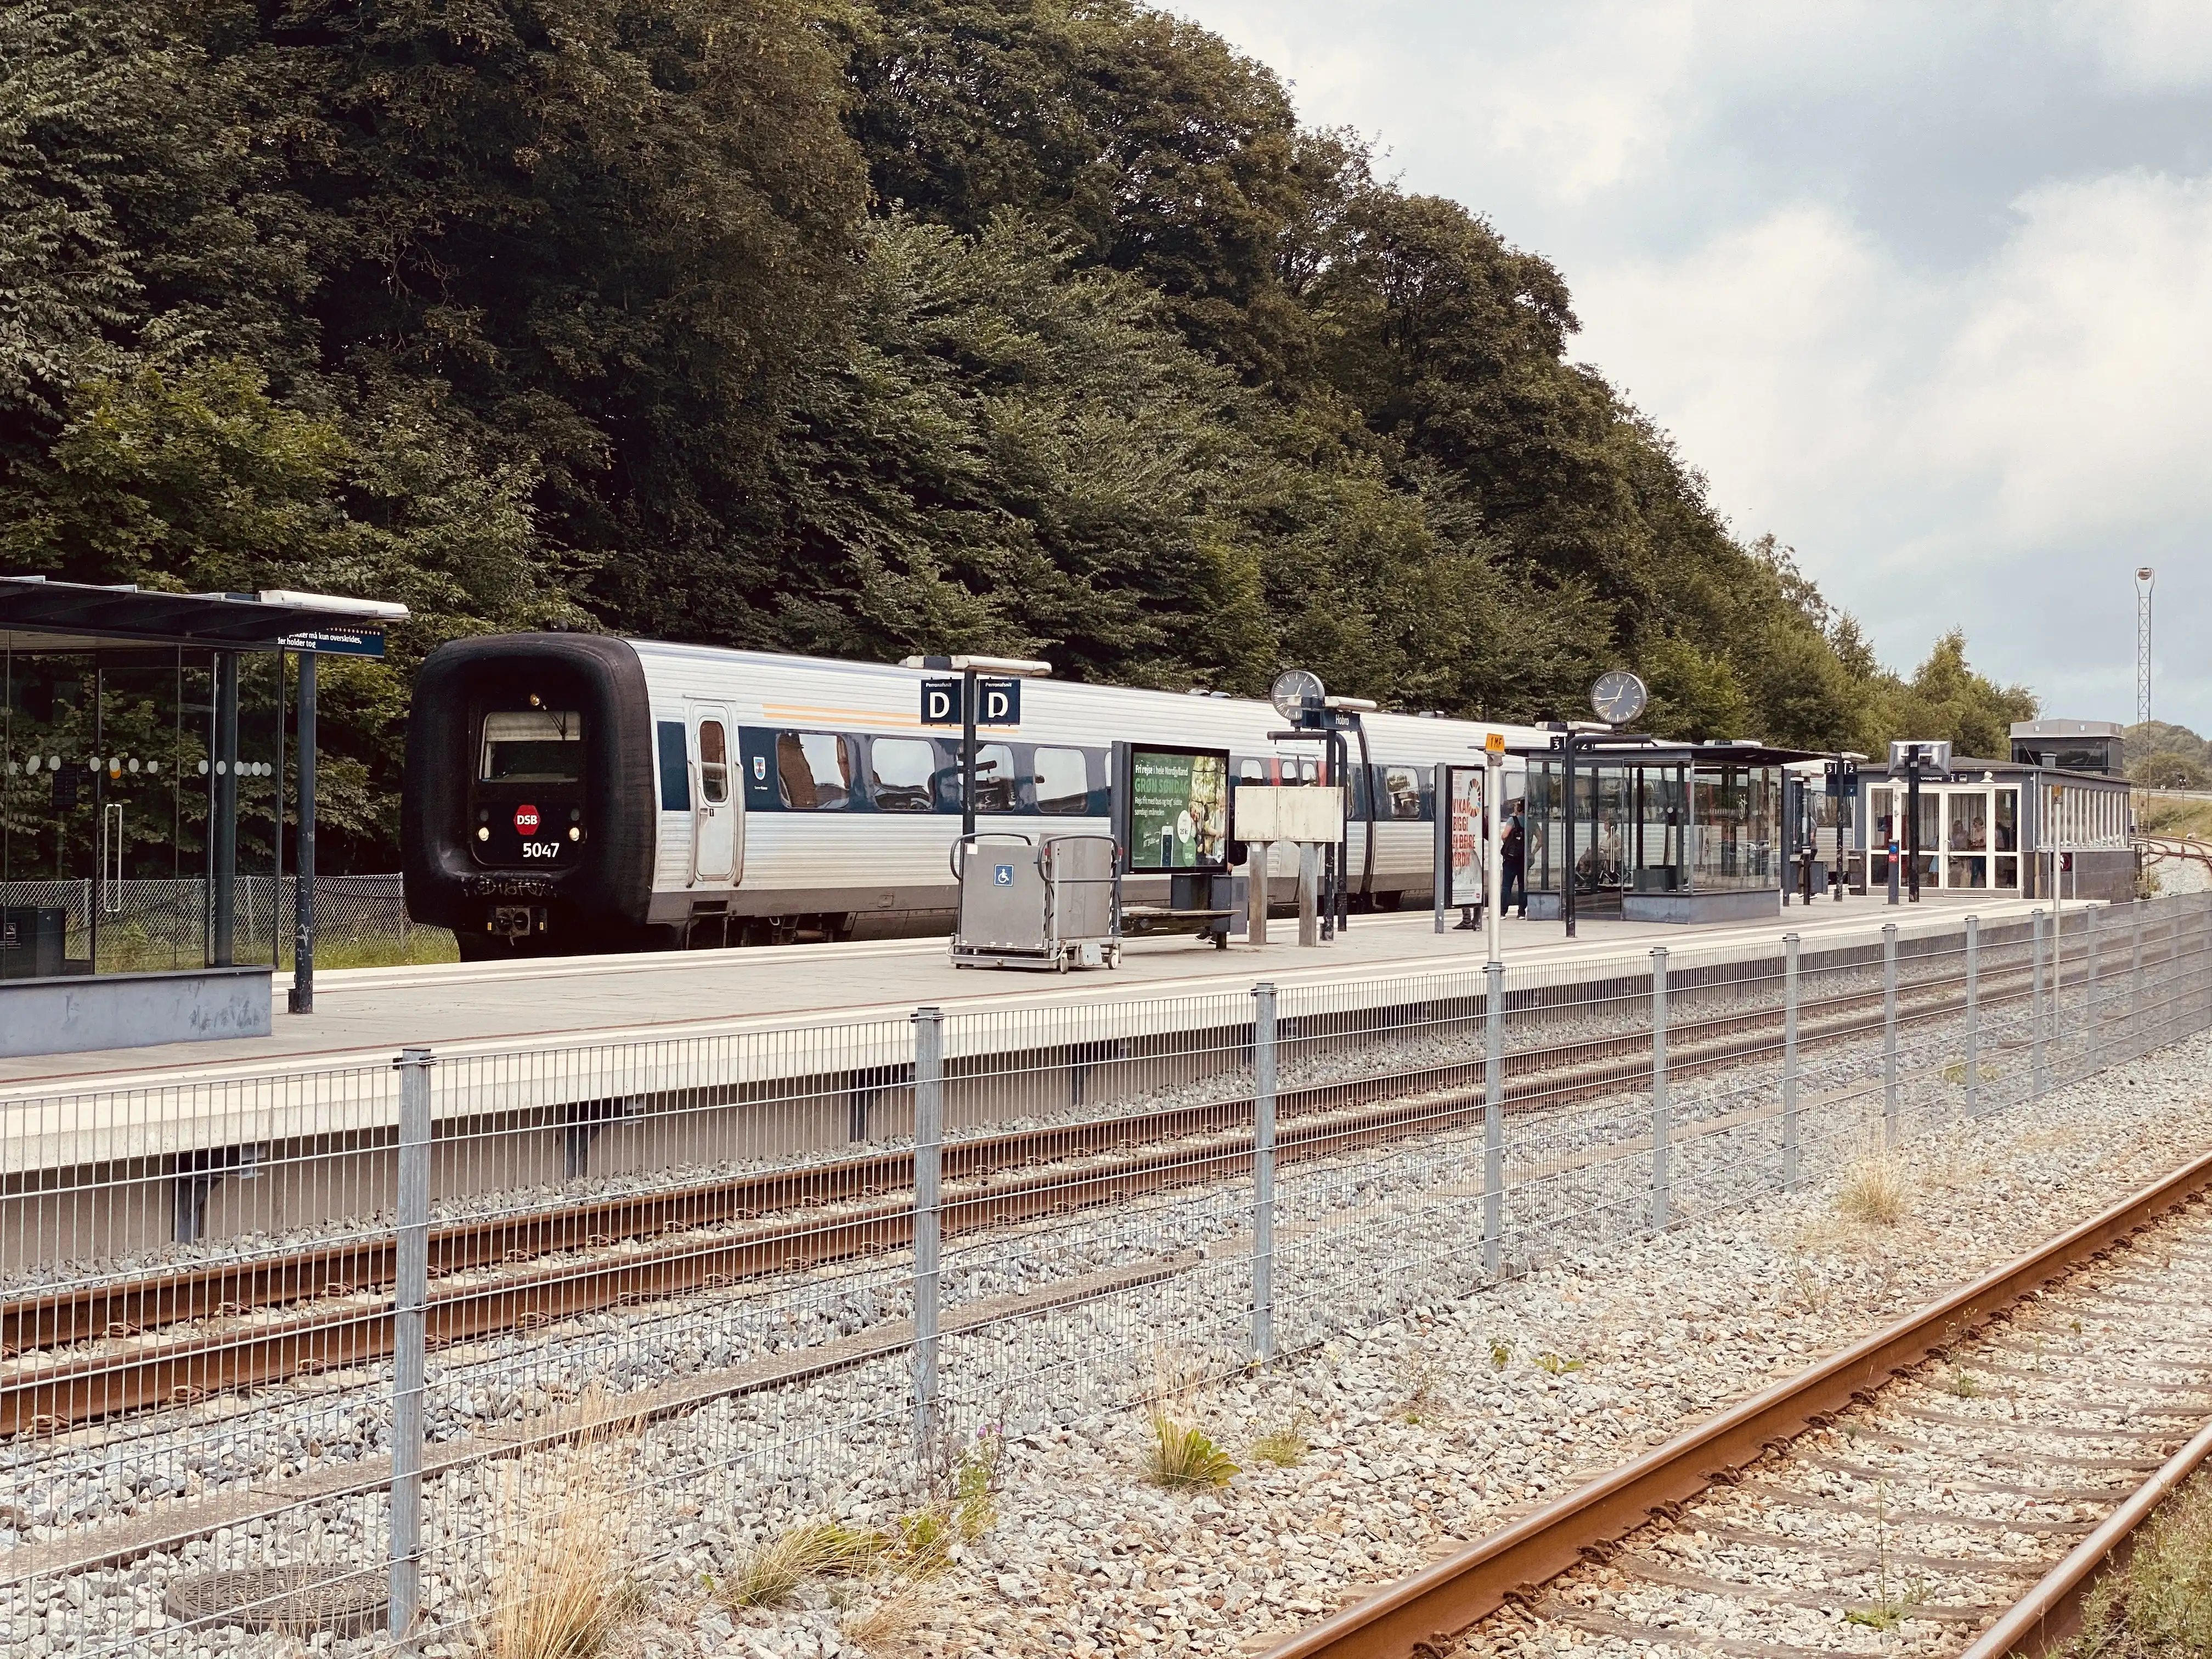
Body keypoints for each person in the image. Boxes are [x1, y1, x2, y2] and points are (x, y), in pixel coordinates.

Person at [1500, 802, 1526, 918]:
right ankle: (1521, 912)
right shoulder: (1531, 822)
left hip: (1511, 859)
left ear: (1520, 808)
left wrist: (1510, 848)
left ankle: (1503, 912)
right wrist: (1531, 852)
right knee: (1523, 885)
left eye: (1516, 807)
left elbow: (1504, 836)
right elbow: (1540, 839)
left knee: (1507, 885)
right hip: (1524, 858)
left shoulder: (1512, 820)